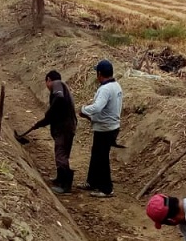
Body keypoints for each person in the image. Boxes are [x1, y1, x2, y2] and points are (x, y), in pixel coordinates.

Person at [23, 71, 78, 194]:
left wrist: (48, 113)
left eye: (46, 83)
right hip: (68, 126)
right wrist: (41, 123)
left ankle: (65, 186)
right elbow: (53, 115)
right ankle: (60, 179)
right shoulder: (64, 89)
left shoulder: (57, 84)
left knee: (61, 154)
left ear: (48, 80)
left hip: (64, 128)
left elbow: (59, 98)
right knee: (62, 152)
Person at [78, 59, 123, 198]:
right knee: (96, 155)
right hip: (110, 126)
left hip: (105, 128)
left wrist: (84, 109)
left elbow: (97, 107)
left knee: (102, 157)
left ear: (99, 73)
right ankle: (92, 181)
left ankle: (106, 188)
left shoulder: (105, 89)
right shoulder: (116, 86)